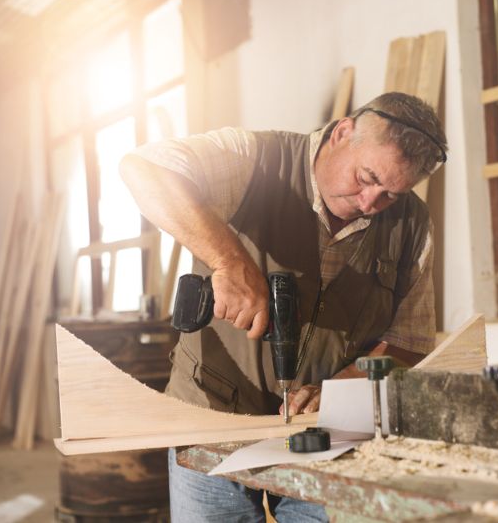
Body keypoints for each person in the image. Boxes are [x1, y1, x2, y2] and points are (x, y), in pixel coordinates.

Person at [120, 92, 447, 522]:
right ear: (343, 132)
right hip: (211, 422)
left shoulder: (413, 225)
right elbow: (142, 169)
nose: (370, 202)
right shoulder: (255, 159)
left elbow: (408, 342)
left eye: (390, 194)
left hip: (324, 438)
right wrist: (228, 260)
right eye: (366, 177)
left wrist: (341, 389)